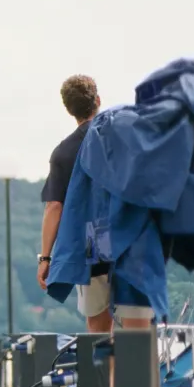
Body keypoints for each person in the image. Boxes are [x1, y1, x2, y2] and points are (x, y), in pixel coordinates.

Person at [39, 74, 157, 335]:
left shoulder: (64, 152)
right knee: (137, 325)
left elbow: (54, 208)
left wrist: (46, 257)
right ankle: (139, 372)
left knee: (98, 322)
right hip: (130, 233)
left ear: (69, 110)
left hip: (95, 237)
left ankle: (105, 374)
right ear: (98, 100)